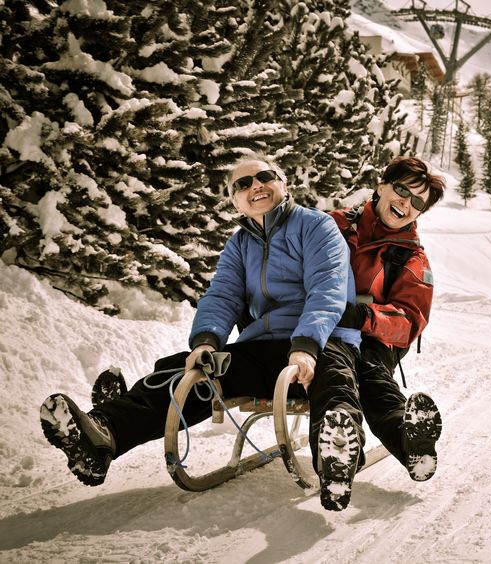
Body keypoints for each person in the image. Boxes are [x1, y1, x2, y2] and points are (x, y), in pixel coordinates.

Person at [40, 154, 365, 511]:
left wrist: (305, 346)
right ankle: (104, 435)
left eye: (264, 177)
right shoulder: (240, 245)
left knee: (333, 379)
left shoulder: (316, 227)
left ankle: (334, 460)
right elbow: (222, 295)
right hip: (261, 348)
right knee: (186, 372)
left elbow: (327, 289)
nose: (255, 186)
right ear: (235, 202)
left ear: (282, 184)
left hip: (322, 341)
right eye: (242, 184)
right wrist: (207, 341)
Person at [331, 156, 445, 481]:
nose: (405, 203)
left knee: (367, 373)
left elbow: (410, 320)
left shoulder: (411, 257)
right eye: (401, 190)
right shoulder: (334, 225)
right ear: (381, 186)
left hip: (374, 338)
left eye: (417, 201)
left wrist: (365, 316)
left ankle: (409, 440)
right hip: (320, 327)